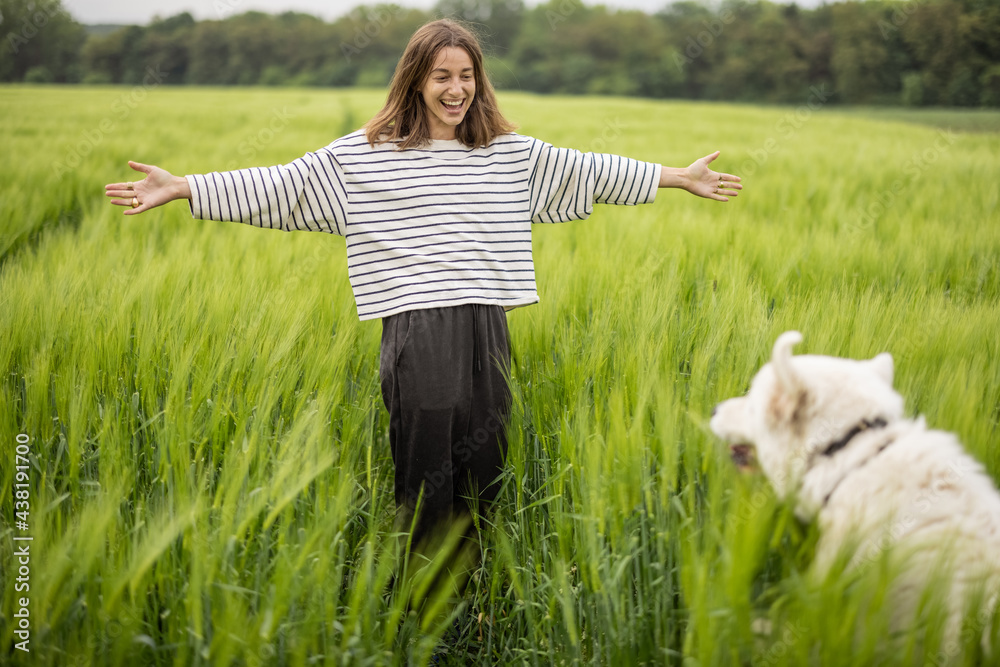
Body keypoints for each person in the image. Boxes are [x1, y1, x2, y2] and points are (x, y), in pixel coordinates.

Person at [105, 18, 741, 555]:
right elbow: (283, 185)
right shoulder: (367, 155)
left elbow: (589, 168)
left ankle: (479, 580)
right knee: (427, 457)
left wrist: (678, 178)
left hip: (487, 317)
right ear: (416, 80)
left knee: (488, 449)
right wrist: (186, 186)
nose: (456, 89)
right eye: (442, 77)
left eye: (466, 76)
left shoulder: (505, 152)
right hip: (417, 324)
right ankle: (424, 590)